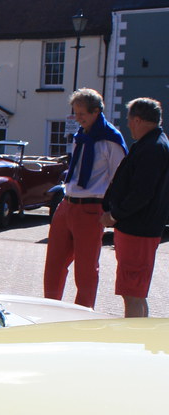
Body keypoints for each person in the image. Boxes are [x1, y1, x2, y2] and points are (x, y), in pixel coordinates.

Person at [43, 88, 127, 308]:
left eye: (82, 114)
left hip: (91, 208)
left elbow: (120, 178)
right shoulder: (80, 136)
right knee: (54, 264)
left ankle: (83, 314)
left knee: (86, 269)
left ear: (96, 111)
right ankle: (50, 310)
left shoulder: (111, 139)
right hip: (67, 203)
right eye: (76, 113)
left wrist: (111, 210)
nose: (78, 118)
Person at [99, 98, 169, 317]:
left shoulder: (152, 147)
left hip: (137, 230)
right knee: (136, 292)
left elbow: (142, 193)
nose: (128, 125)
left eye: (129, 120)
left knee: (132, 294)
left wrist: (114, 215)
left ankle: (133, 342)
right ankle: (139, 338)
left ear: (138, 120)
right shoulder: (155, 143)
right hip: (142, 228)